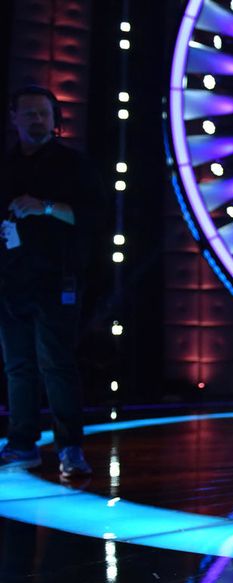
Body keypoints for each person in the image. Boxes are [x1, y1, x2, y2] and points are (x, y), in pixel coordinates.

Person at [0, 85, 104, 477]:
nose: (37, 120)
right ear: (14, 118)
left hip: (57, 277)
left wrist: (43, 207)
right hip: (12, 277)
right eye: (29, 113)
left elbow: (93, 216)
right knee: (18, 365)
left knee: (56, 362)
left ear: (54, 118)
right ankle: (22, 443)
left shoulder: (72, 164)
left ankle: (70, 447)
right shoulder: (7, 165)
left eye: (43, 113)